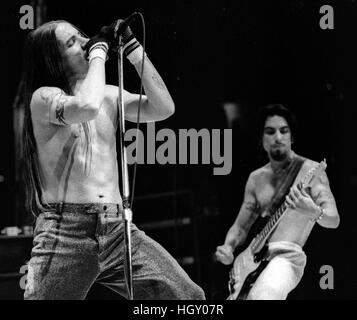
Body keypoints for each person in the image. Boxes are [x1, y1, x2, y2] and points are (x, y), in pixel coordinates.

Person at [22, 19, 205, 300]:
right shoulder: (44, 98)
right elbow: (86, 107)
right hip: (66, 230)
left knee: (187, 297)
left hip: (117, 227)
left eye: (82, 35)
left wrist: (133, 50)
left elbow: (163, 108)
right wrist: (98, 52)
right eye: (72, 43)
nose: (84, 42)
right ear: (54, 60)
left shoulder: (109, 95)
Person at [215, 104, 340, 300]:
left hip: (286, 257)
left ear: (292, 137)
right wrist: (228, 247)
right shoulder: (256, 178)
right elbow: (241, 226)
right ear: (261, 140)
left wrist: (314, 212)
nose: (278, 137)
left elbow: (334, 220)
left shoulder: (311, 170)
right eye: (270, 132)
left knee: (264, 296)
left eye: (284, 131)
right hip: (251, 261)